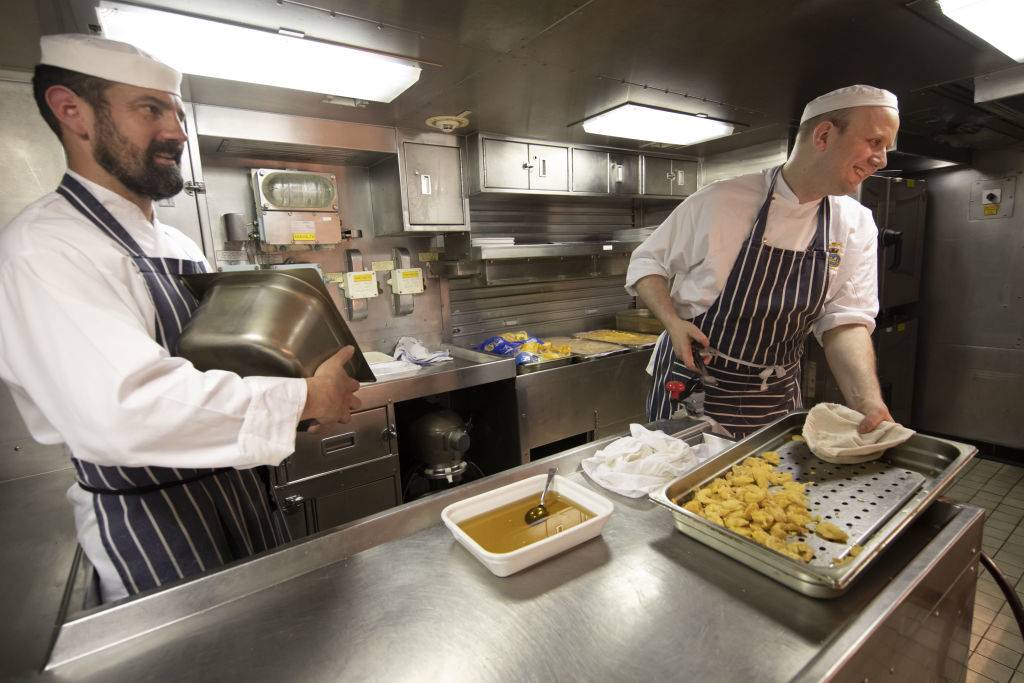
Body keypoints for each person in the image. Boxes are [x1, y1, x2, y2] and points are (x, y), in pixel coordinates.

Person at [0, 34, 361, 602]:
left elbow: (223, 365)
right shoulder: (44, 248)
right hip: (154, 523)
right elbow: (127, 411)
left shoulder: (175, 244)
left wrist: (297, 390)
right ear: (72, 111)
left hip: (240, 496)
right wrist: (307, 399)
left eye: (177, 112)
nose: (176, 132)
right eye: (149, 109)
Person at [627, 84, 900, 439]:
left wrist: (868, 404)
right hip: (695, 385)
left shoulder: (855, 224)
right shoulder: (722, 200)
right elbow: (648, 262)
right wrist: (672, 322)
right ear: (824, 135)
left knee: (765, 490)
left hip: (774, 398)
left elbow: (844, 322)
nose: (882, 160)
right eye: (875, 142)